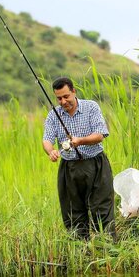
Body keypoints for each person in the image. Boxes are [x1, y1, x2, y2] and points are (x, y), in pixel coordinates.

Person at [42, 77, 116, 240]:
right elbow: (46, 139)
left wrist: (80, 141)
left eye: (66, 96)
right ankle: (81, 251)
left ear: (74, 92)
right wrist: (51, 151)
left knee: (101, 209)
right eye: (59, 98)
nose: (63, 101)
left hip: (96, 165)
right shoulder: (53, 115)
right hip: (69, 168)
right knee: (73, 212)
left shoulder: (91, 107)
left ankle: (107, 248)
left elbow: (100, 135)